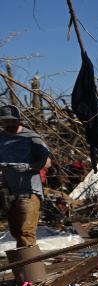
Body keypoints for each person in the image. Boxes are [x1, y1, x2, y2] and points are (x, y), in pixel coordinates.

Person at [0, 104, 51, 248]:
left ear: (19, 120)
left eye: (12, 121)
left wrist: (28, 166)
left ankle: (30, 267)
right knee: (16, 231)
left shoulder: (31, 138)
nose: (9, 124)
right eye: (5, 121)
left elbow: (47, 162)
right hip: (9, 193)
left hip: (29, 192)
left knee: (26, 232)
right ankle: (23, 265)